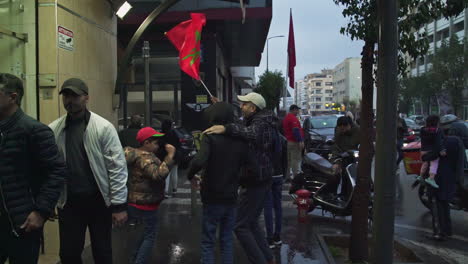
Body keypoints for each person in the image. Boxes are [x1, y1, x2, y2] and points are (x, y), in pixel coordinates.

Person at [49, 78, 128, 264]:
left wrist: (118, 205)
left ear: (86, 98)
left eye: (74, 95)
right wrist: (51, 200)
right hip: (69, 202)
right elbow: (51, 169)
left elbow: (117, 167)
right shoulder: (54, 130)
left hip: (98, 201)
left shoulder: (103, 128)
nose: (69, 100)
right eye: (66, 95)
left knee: (102, 252)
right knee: (68, 254)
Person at [0, 73, 67, 264]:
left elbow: (56, 171)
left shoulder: (34, 130)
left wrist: (41, 211)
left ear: (13, 97)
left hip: (22, 223)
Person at [204, 92, 276, 264]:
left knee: (240, 225)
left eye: (244, 104)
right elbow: (242, 125)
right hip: (261, 178)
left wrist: (225, 128)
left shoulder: (261, 123)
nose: (241, 107)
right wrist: (222, 105)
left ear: (253, 107)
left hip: (256, 180)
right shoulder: (260, 119)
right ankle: (269, 258)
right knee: (250, 223)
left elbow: (250, 133)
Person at [187, 102, 252, 264]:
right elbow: (251, 166)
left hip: (212, 195)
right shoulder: (240, 140)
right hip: (231, 196)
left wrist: (190, 175)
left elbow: (198, 161)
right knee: (226, 240)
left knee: (208, 241)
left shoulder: (210, 137)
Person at [124, 127, 175, 264]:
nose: (158, 146)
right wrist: (170, 156)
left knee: (140, 235)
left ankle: (134, 259)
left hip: (136, 202)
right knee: (149, 236)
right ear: (146, 143)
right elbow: (157, 175)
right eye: (155, 143)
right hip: (146, 204)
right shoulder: (144, 158)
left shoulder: (136, 155)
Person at [424, 135, 465, 241]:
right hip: (451, 178)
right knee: (445, 204)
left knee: (437, 206)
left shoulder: (442, 143)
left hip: (438, 179)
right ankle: (447, 231)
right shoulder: (458, 141)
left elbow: (427, 157)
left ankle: (439, 233)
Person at [263, 122, 287, 249]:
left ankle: (269, 238)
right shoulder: (282, 139)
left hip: (267, 176)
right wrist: (284, 175)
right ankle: (277, 236)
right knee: (278, 207)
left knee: (267, 207)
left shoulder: (265, 139)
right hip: (278, 175)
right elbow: (285, 161)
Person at [327, 116, 360, 196]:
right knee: (335, 172)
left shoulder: (358, 131)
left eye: (345, 126)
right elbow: (335, 146)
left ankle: (349, 194)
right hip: (342, 156)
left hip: (355, 157)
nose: (343, 129)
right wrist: (336, 161)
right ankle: (335, 193)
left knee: (352, 176)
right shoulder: (338, 131)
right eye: (340, 127)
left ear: (350, 125)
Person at [419, 115, 446, 188]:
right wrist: (442, 150)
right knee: (434, 164)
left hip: (423, 150)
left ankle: (420, 176)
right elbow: (439, 142)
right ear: (436, 122)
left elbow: (421, 138)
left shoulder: (422, 129)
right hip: (432, 151)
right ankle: (431, 178)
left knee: (425, 163)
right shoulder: (438, 130)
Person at [282, 105, 304, 182]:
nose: (298, 112)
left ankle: (287, 176)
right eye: (297, 110)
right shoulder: (293, 118)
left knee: (289, 160)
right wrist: (300, 141)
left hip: (288, 141)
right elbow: (295, 130)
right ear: (293, 110)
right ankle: (295, 177)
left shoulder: (286, 118)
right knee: (295, 159)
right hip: (294, 142)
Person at [161, 119, 181, 197]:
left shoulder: (161, 134)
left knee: (166, 174)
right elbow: (178, 144)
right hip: (175, 156)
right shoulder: (174, 134)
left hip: (165, 156)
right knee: (174, 173)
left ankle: (165, 191)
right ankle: (174, 190)